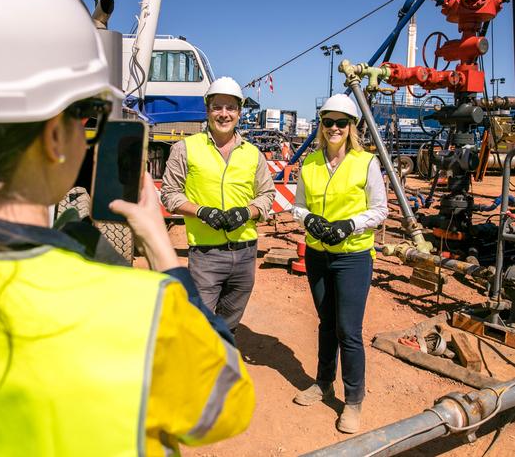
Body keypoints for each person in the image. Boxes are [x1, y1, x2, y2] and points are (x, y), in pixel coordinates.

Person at [0, 0, 254, 456]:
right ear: (54, 137)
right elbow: (229, 403)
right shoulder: (146, 316)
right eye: (87, 115)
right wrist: (159, 244)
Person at [291, 94, 388, 434]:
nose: (334, 128)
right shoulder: (311, 164)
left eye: (341, 123)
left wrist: (350, 225)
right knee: (326, 323)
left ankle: (353, 401)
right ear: (321, 125)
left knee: (348, 330)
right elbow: (298, 205)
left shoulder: (366, 163)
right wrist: (309, 220)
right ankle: (322, 383)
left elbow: (380, 209)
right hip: (318, 255)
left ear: (351, 128)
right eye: (328, 122)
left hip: (353, 257)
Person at [160, 77, 275, 335]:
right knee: (198, 326)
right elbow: (169, 194)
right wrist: (201, 211)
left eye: (230, 108)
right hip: (205, 255)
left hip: (245, 254)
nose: (224, 114)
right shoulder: (185, 149)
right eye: (217, 107)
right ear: (208, 110)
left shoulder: (253, 154)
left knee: (228, 327)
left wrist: (248, 212)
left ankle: (221, 371)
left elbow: (267, 194)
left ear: (239, 112)